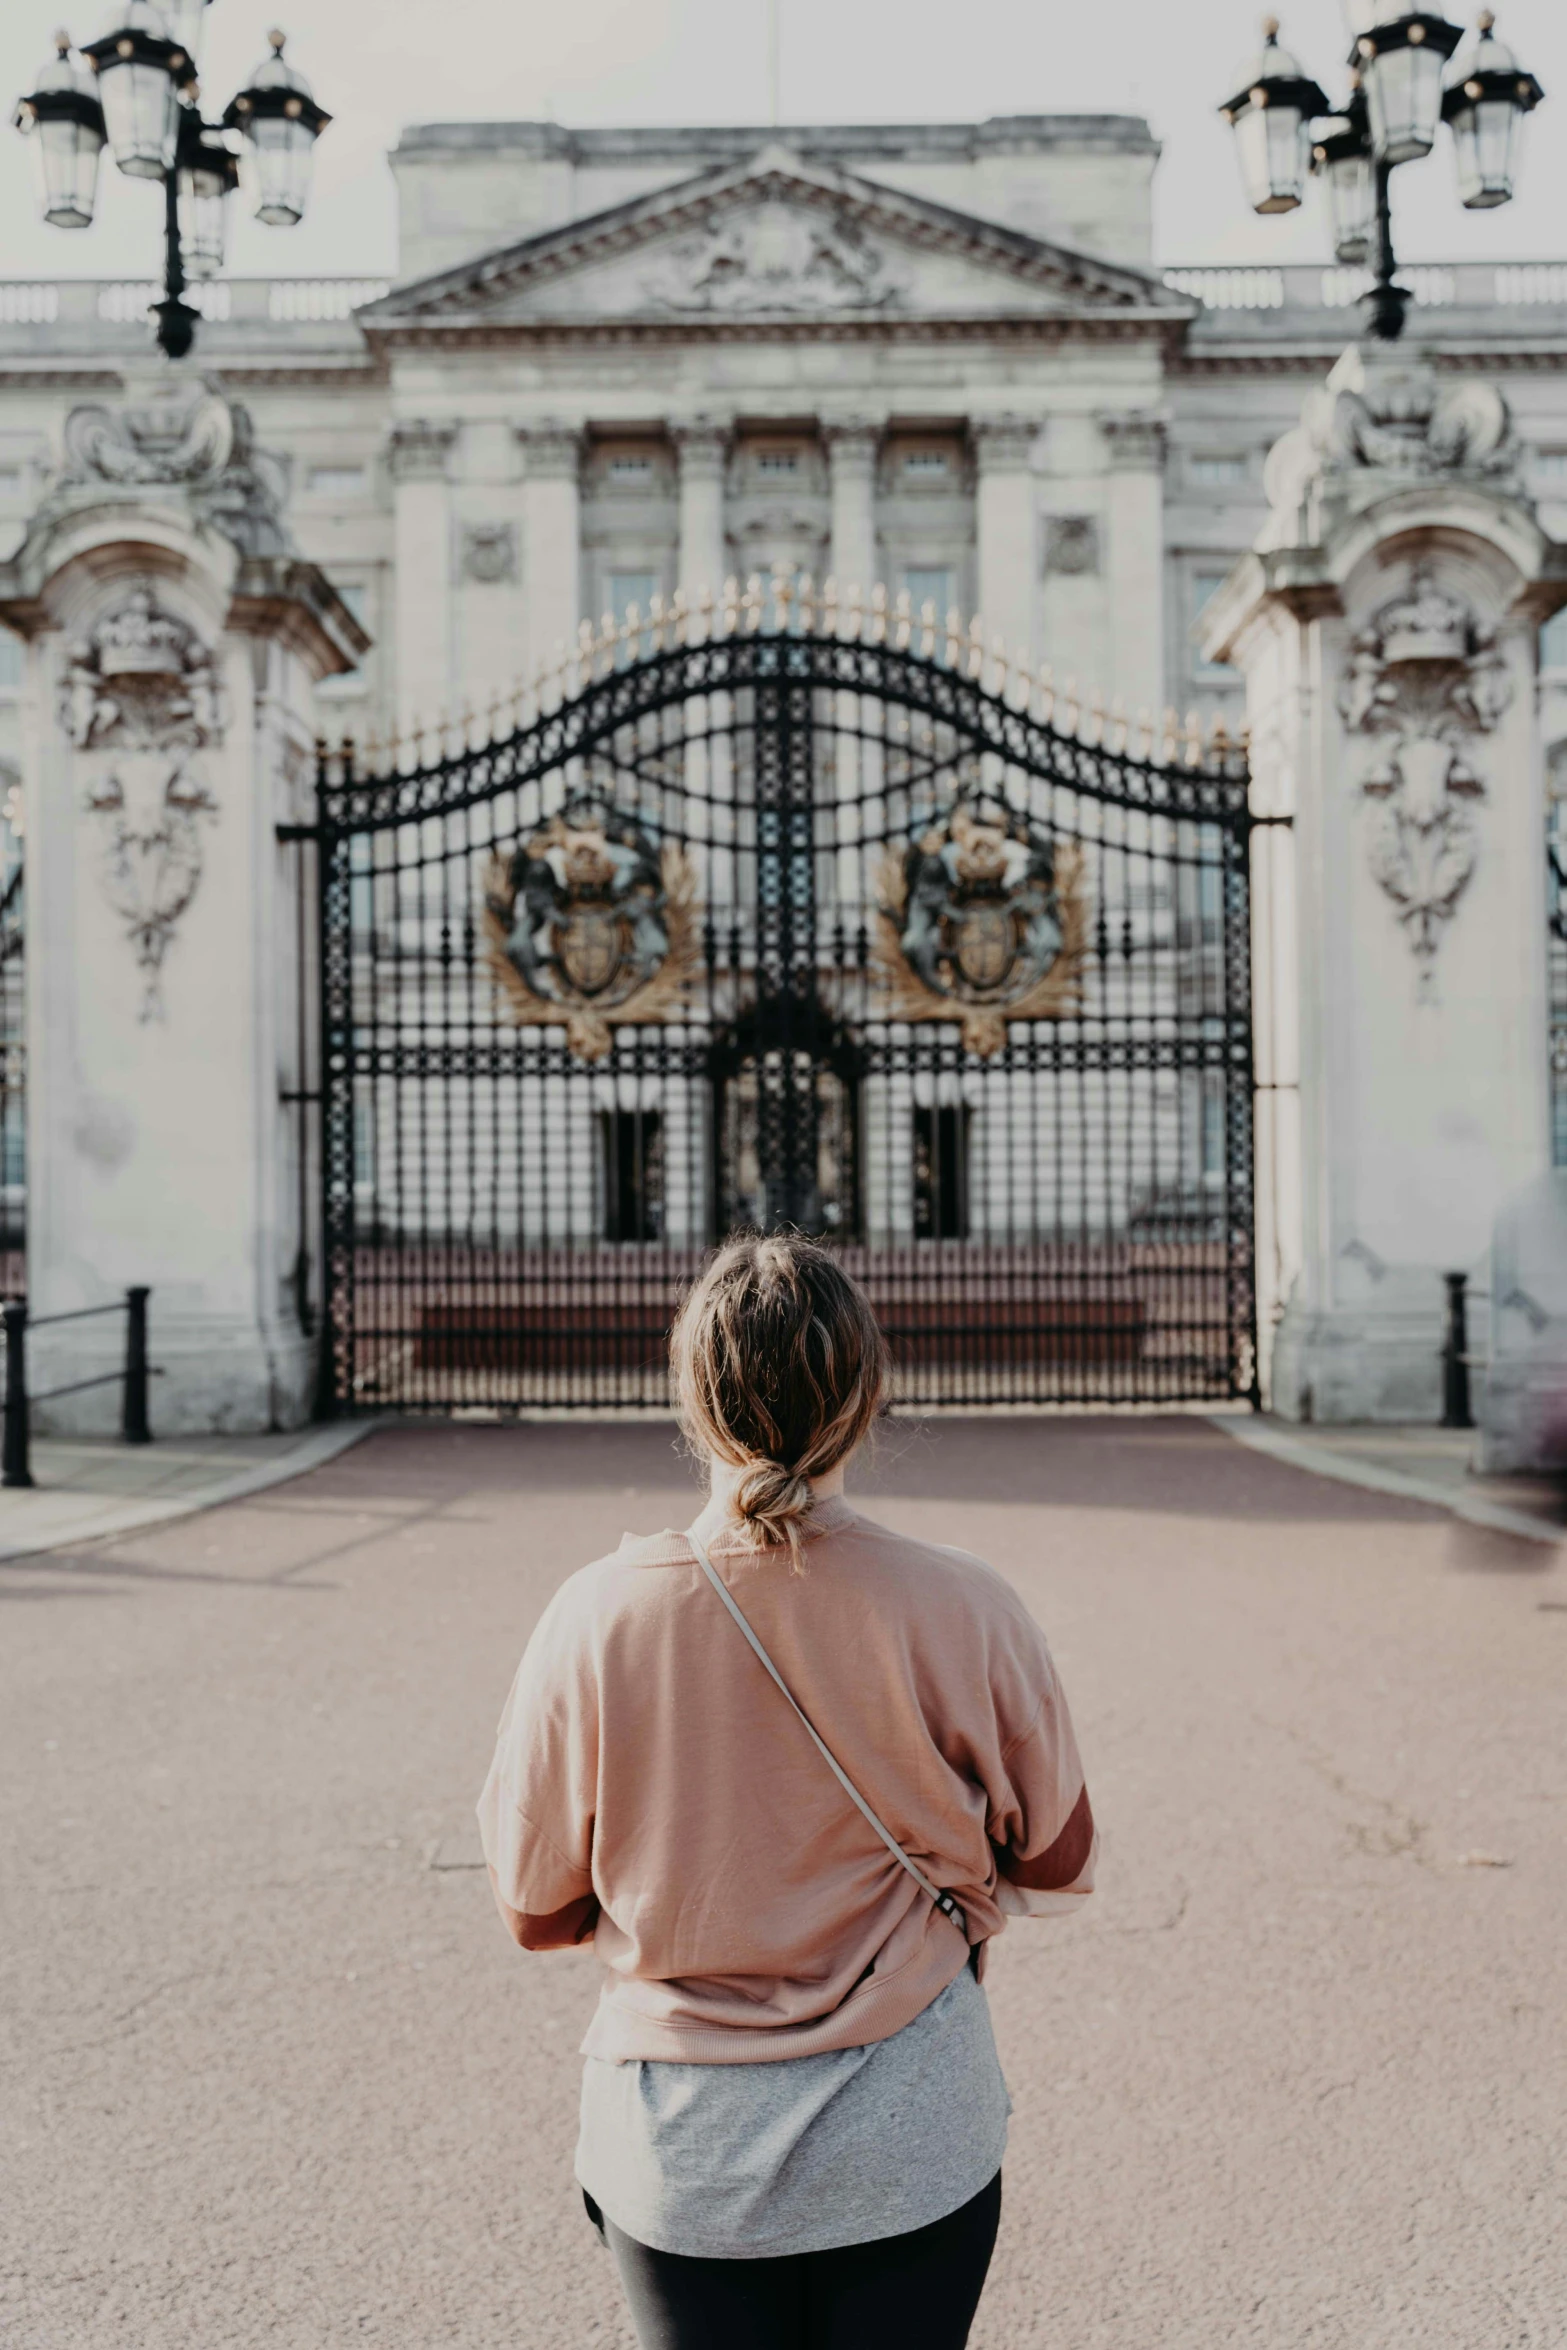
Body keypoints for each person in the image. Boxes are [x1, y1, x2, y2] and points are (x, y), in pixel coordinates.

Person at [478, 1233, 1097, 2349]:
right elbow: (1054, 1854)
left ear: (692, 1398)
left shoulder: (595, 1612)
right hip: (910, 2125)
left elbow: (533, 1913)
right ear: (864, 1398)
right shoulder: (964, 1602)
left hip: (683, 2140)